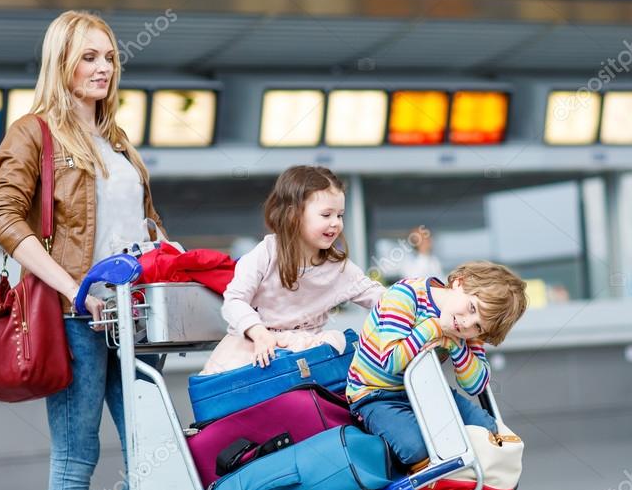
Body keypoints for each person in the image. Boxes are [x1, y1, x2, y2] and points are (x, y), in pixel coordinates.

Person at [0, 10, 167, 490]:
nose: (103, 68)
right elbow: (4, 219)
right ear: (61, 61)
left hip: (135, 320)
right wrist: (74, 289)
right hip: (73, 319)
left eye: (110, 58)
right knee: (76, 458)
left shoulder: (117, 141)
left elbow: (140, 226)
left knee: (152, 452)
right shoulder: (32, 134)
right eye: (89, 57)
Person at [203, 165, 384, 374]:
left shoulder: (338, 267)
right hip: (253, 352)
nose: (336, 223)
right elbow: (234, 301)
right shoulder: (266, 253)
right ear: (293, 215)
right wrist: (259, 333)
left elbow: (381, 298)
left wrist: (417, 299)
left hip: (304, 358)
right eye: (326, 215)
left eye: (340, 215)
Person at [347, 262, 528, 469]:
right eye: (472, 308)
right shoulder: (405, 296)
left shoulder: (464, 329)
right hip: (375, 395)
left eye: (478, 326)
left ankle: (461, 469)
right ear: (460, 283)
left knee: (488, 431)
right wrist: (433, 327)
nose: (468, 323)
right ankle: (428, 469)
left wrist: (456, 345)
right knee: (416, 448)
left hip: (425, 391)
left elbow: (475, 385)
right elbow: (390, 361)